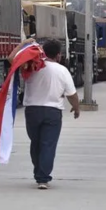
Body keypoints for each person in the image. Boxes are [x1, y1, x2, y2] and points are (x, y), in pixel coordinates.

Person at [8, 38, 81, 190]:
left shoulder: (32, 66)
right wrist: (76, 108)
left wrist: (24, 43)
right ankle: (42, 177)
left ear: (43, 51)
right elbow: (72, 94)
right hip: (53, 112)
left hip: (32, 111)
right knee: (48, 144)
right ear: (59, 55)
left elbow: (11, 59)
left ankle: (39, 173)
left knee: (36, 143)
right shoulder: (62, 71)